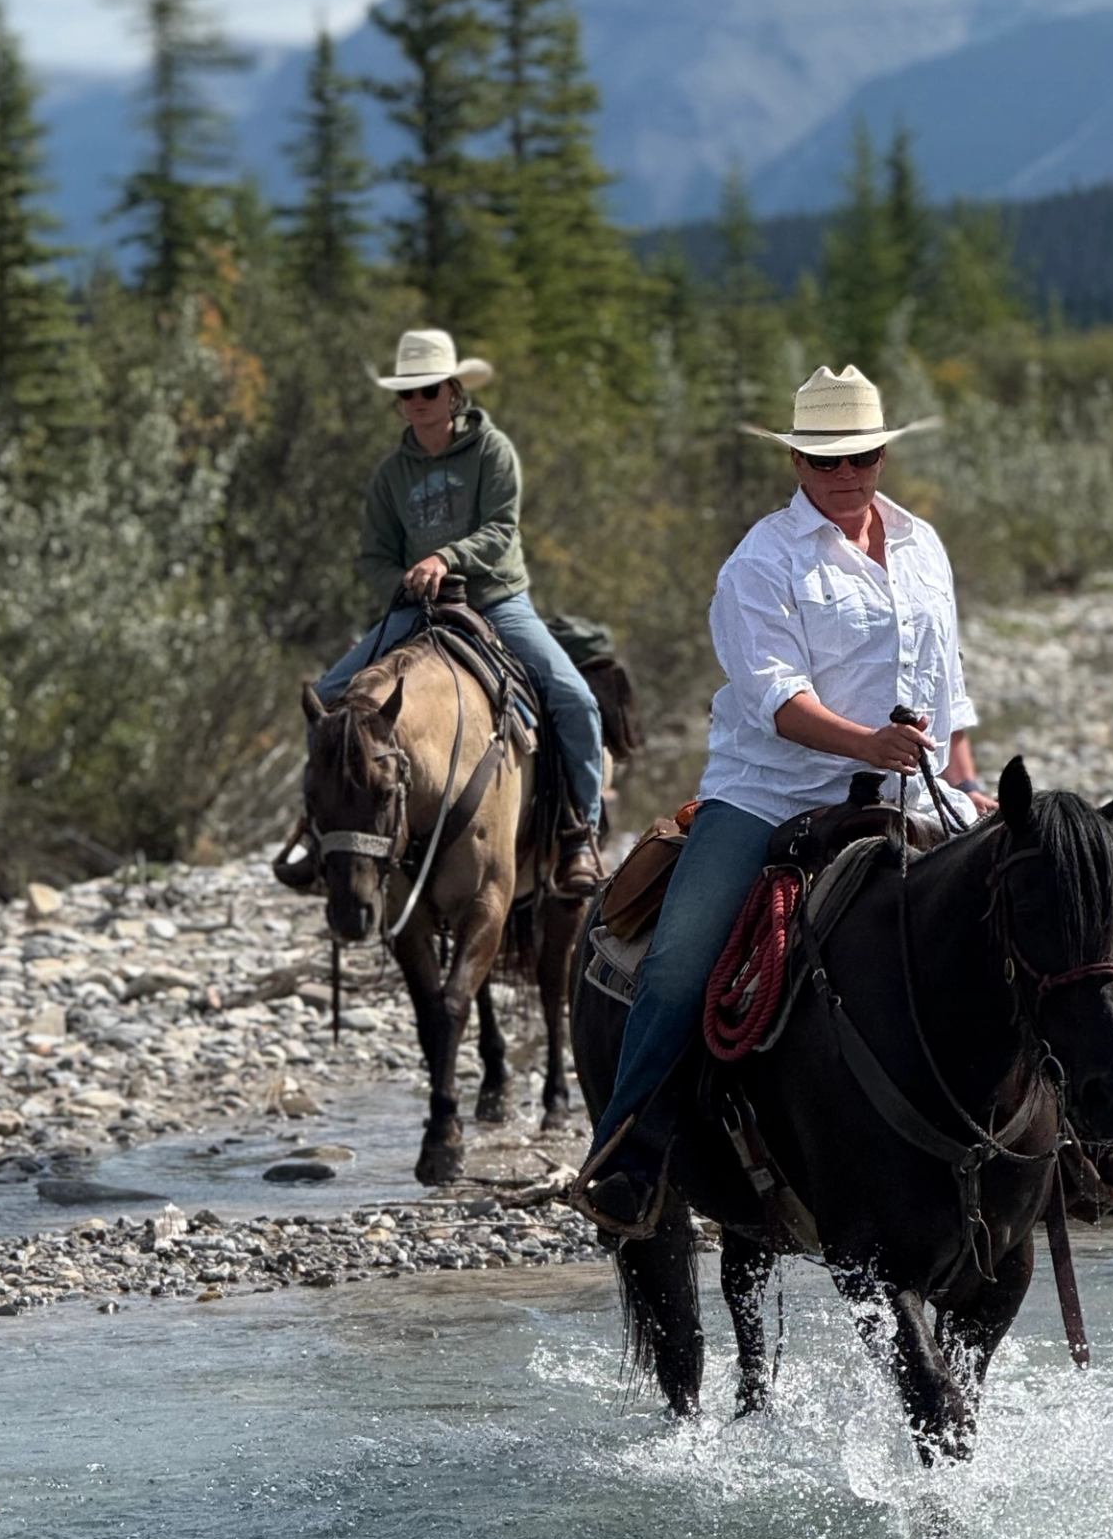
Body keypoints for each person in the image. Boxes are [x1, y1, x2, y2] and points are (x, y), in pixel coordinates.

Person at [570, 362, 991, 1237]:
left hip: (913, 787)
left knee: (1022, 916)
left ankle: (1056, 1137)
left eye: (862, 457)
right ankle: (630, 1154)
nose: (846, 475)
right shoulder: (760, 562)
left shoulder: (923, 546)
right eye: (826, 461)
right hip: (770, 793)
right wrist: (866, 743)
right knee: (680, 959)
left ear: (882, 455)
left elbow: (948, 685)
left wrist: (967, 780)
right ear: (797, 464)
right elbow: (777, 698)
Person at [278, 327, 606, 898]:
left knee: (574, 698)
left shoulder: (491, 451)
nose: (417, 403)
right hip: (417, 609)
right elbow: (374, 555)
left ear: (454, 392)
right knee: (331, 703)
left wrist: (443, 556)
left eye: (428, 390)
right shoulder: (390, 475)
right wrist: (403, 580)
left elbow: (502, 528)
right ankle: (321, 831)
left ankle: (580, 832)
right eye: (406, 394)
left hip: (496, 599)